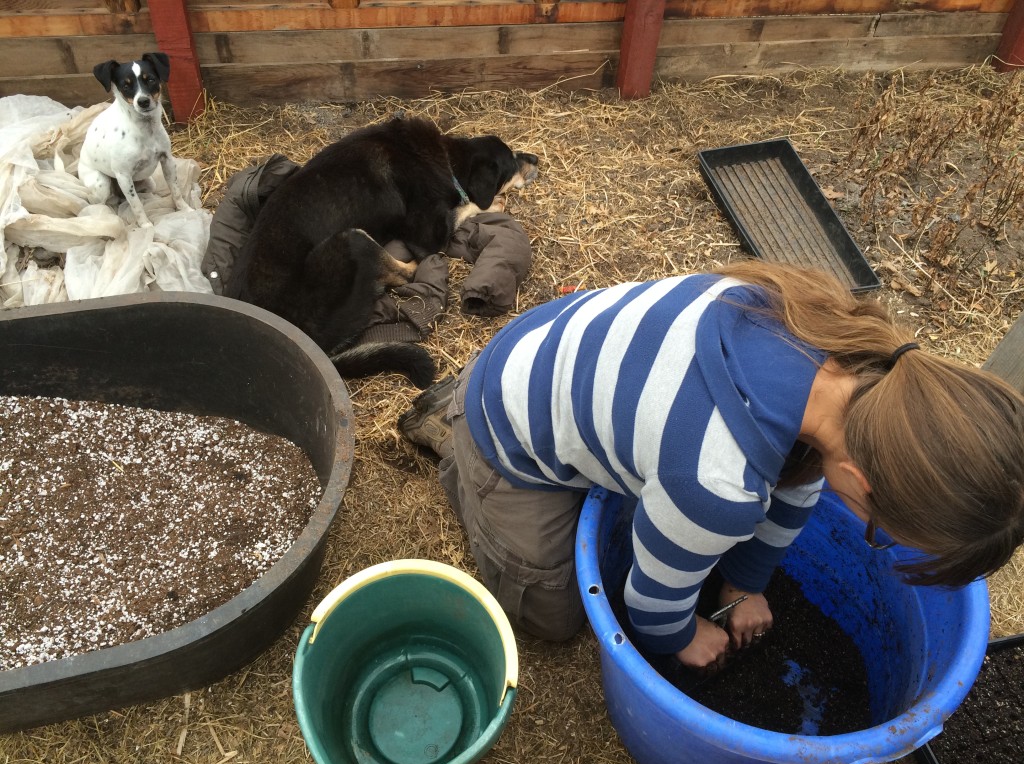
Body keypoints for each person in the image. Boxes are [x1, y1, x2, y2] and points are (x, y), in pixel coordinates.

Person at [399, 261, 1024, 671]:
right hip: (508, 426)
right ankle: (452, 431)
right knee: (555, 620)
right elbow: (647, 600)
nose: (877, 536)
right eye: (880, 528)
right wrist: (684, 637)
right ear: (859, 482)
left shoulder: (846, 349)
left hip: (560, 345)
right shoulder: (715, 485)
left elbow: (801, 484)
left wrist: (745, 583)